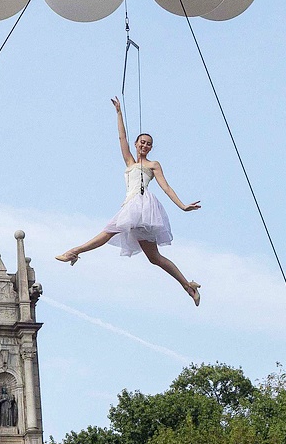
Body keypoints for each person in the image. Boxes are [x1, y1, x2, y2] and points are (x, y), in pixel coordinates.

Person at [56, 97, 203, 305]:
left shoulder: (153, 165)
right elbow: (121, 138)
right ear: (136, 144)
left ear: (151, 148)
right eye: (142, 142)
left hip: (141, 205)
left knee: (113, 234)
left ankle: (74, 252)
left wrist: (182, 206)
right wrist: (118, 113)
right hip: (132, 205)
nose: (145, 145)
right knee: (153, 258)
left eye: (148, 144)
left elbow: (166, 187)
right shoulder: (129, 161)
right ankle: (189, 286)